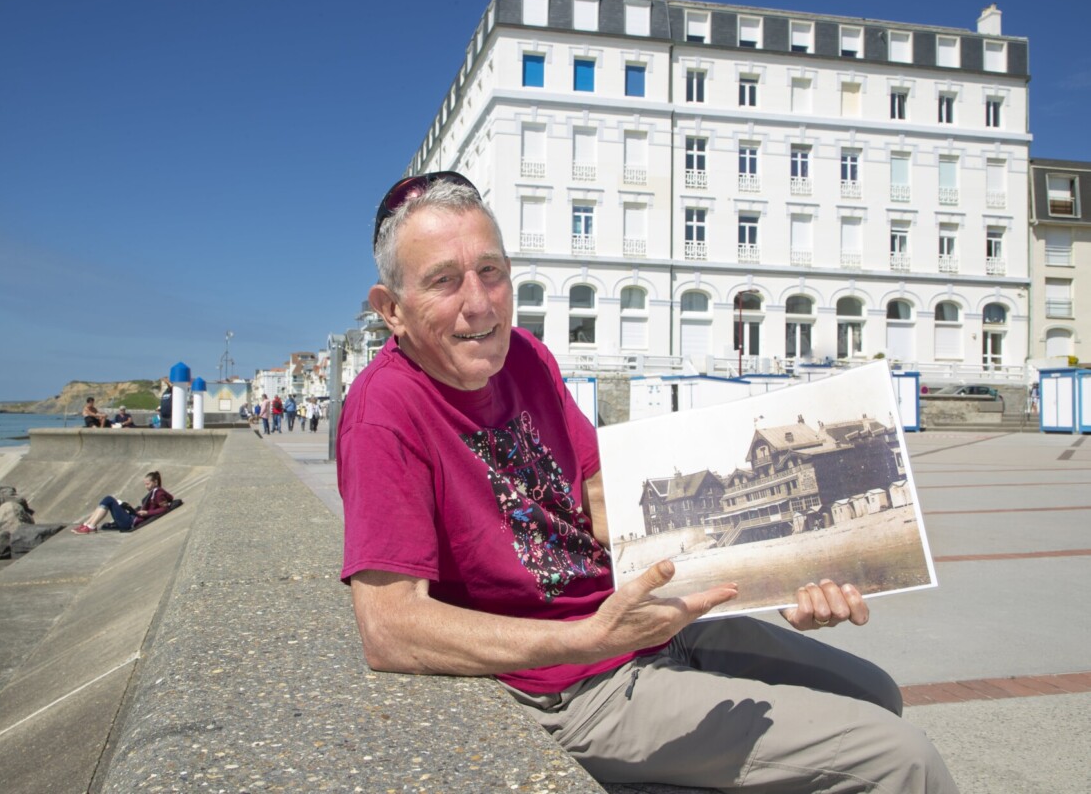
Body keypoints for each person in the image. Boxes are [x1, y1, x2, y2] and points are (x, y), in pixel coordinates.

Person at [337, 172, 957, 793]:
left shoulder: (525, 355)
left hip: (650, 621)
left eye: (491, 272)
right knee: (902, 760)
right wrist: (585, 638)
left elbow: (606, 502)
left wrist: (782, 574)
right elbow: (390, 628)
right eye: (444, 280)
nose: (480, 303)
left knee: (878, 694)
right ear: (391, 309)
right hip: (574, 682)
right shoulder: (384, 411)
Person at [71, 470, 173, 535]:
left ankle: (91, 526)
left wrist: (147, 513)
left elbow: (164, 508)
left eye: (148, 484)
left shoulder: (159, 493)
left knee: (109, 499)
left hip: (130, 522)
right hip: (133, 518)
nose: (146, 486)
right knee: (108, 499)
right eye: (145, 484)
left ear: (155, 482)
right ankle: (87, 524)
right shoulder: (153, 492)